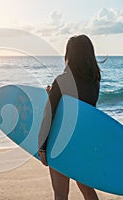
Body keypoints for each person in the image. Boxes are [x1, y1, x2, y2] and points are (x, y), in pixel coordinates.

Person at [38, 35, 101, 200]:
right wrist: (53, 93)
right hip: (83, 142)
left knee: (60, 194)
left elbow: (49, 115)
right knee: (87, 190)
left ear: (69, 55)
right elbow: (79, 106)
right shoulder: (95, 82)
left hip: (61, 143)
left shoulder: (62, 80)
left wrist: (42, 147)